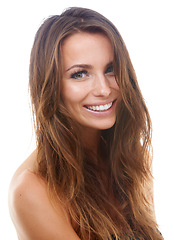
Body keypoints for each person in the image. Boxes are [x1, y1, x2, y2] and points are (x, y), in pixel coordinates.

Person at [8, 7, 163, 240]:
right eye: (80, 74)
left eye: (111, 69)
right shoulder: (33, 189)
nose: (104, 89)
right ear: (50, 86)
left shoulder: (132, 159)